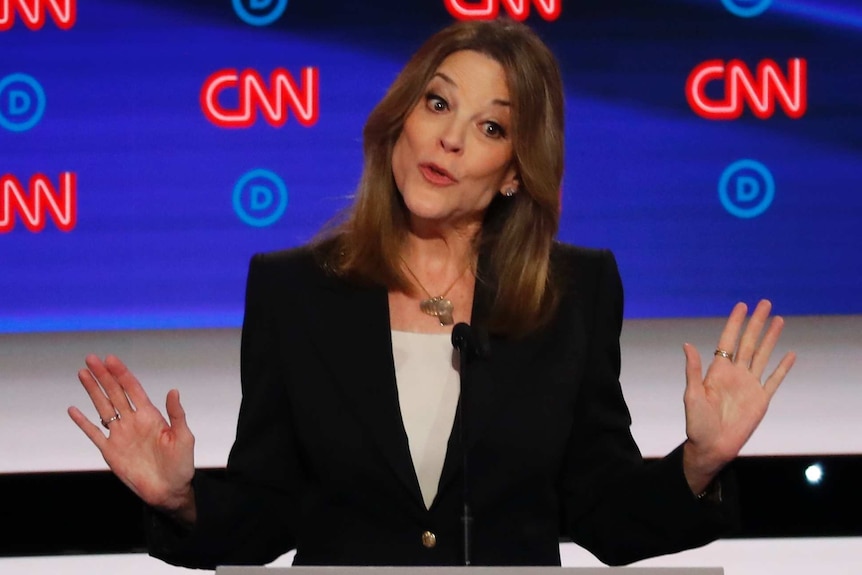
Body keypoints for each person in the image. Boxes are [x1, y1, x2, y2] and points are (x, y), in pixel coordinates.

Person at [68, 19, 795, 568]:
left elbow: (599, 508)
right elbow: (271, 510)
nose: (448, 139)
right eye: (436, 103)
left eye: (488, 126)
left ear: (515, 171)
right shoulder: (295, 291)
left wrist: (698, 463)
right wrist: (180, 499)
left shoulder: (573, 293)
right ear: (399, 123)